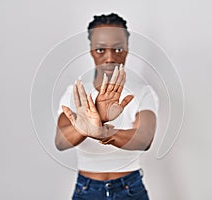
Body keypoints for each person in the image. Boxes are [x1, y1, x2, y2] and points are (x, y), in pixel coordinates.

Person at [55, 13, 158, 200]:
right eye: (101, 50)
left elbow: (144, 139)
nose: (110, 58)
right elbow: (61, 142)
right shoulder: (76, 93)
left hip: (130, 189)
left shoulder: (143, 92)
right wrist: (85, 125)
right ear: (91, 50)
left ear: (127, 49)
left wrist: (103, 132)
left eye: (118, 49)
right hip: (86, 190)